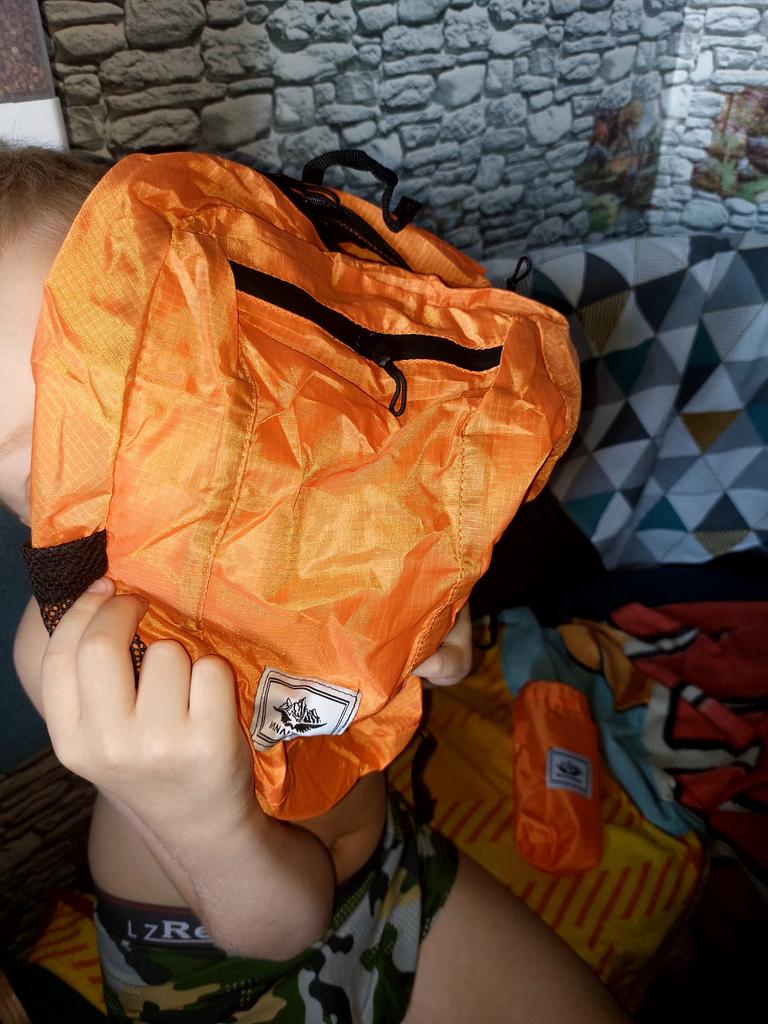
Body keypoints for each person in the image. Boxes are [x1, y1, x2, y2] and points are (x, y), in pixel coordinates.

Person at [1, 143, 628, 1023]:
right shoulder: (73, 655)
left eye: (145, 393)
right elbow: (272, 929)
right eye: (53, 459)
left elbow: (416, 655)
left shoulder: (307, 513)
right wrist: (205, 818)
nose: (123, 469)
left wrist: (425, 637)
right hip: (220, 952)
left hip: (389, 857)